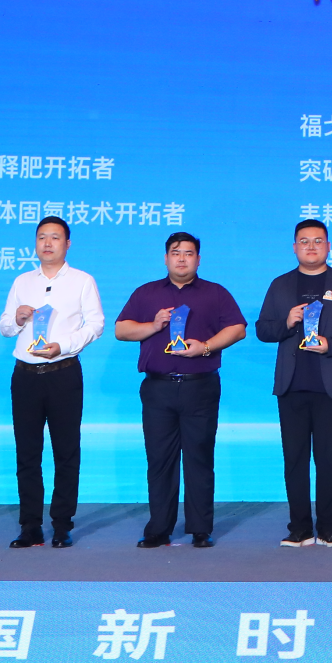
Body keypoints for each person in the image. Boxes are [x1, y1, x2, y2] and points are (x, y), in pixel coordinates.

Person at [114, 231, 248, 549]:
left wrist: (205, 347)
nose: (182, 258)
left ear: (198, 259)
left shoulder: (215, 293)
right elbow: (121, 329)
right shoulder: (146, 293)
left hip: (199, 386)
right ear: (166, 258)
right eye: (176, 253)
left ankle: (200, 528)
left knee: (199, 458)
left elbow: (238, 328)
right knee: (160, 460)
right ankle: (159, 528)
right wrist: (153, 326)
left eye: (189, 253)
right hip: (158, 388)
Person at [254, 219, 332, 547]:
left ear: (328, 246)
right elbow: (262, 329)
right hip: (291, 385)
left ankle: (329, 528)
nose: (311, 246)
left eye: (318, 241)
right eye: (304, 241)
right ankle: (300, 529)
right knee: (294, 460)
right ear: (294, 247)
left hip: (330, 384)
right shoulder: (280, 285)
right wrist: (287, 322)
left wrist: (331, 344)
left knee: (328, 459)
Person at [0, 216, 103, 548]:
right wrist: (17, 319)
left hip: (63, 373)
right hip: (25, 376)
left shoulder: (83, 281)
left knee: (66, 451)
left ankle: (61, 524)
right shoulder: (22, 281)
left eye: (55, 237)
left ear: (67, 244)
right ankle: (30, 525)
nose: (47, 243)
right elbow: (5, 326)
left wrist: (65, 345)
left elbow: (96, 324)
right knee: (27, 452)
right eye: (42, 236)